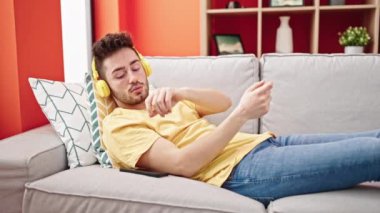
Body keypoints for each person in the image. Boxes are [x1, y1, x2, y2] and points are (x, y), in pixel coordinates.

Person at [92, 32, 380, 205]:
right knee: (373, 153)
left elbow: (222, 102)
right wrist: (242, 114)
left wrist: (180, 93)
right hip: (241, 170)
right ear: (105, 86)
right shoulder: (118, 126)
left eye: (135, 67)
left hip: (263, 144)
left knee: (375, 137)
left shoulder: (164, 99)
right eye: (119, 74)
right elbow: (183, 164)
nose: (133, 78)